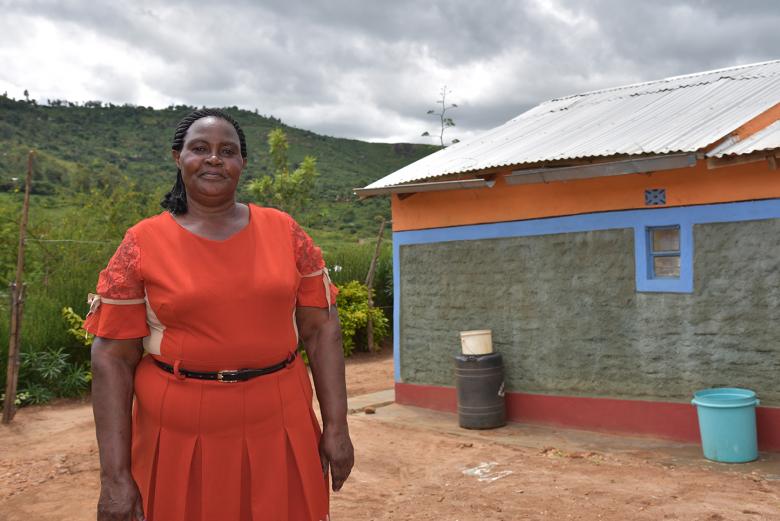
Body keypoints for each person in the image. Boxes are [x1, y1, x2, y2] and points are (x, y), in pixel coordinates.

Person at [85, 108, 354, 521]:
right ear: (178, 157)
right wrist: (115, 476)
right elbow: (111, 358)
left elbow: (321, 331)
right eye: (200, 148)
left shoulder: (284, 231)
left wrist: (337, 426)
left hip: (281, 423)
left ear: (242, 164)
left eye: (227, 150)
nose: (214, 159)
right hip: (175, 435)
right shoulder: (142, 242)